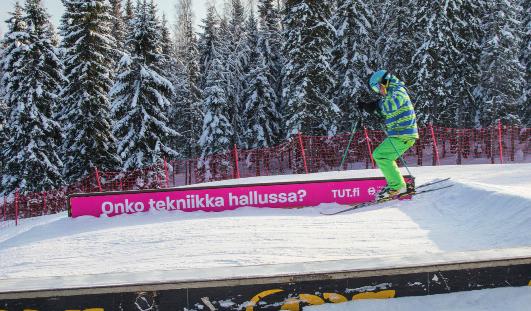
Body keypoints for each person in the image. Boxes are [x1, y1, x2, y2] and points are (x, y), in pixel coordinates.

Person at [358, 70, 419, 200]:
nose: (378, 91)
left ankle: (397, 186)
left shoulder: (398, 91)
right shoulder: (391, 93)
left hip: (403, 134)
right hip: (400, 134)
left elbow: (391, 105)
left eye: (376, 87)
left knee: (380, 155)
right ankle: (397, 185)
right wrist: (368, 107)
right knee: (382, 156)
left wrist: (375, 107)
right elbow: (383, 108)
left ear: (384, 82)